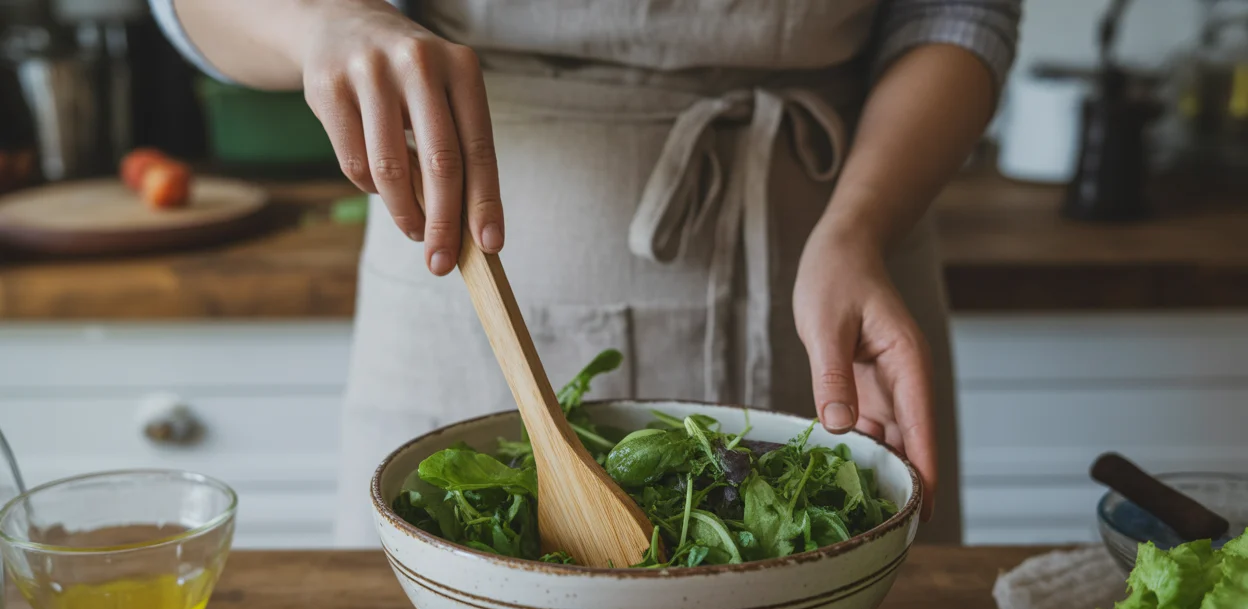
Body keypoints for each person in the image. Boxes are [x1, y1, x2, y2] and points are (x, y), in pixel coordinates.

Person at [151, 0, 1022, 547]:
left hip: (839, 242)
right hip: (463, 253)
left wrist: (861, 224)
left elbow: (956, 14)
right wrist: (320, 24)